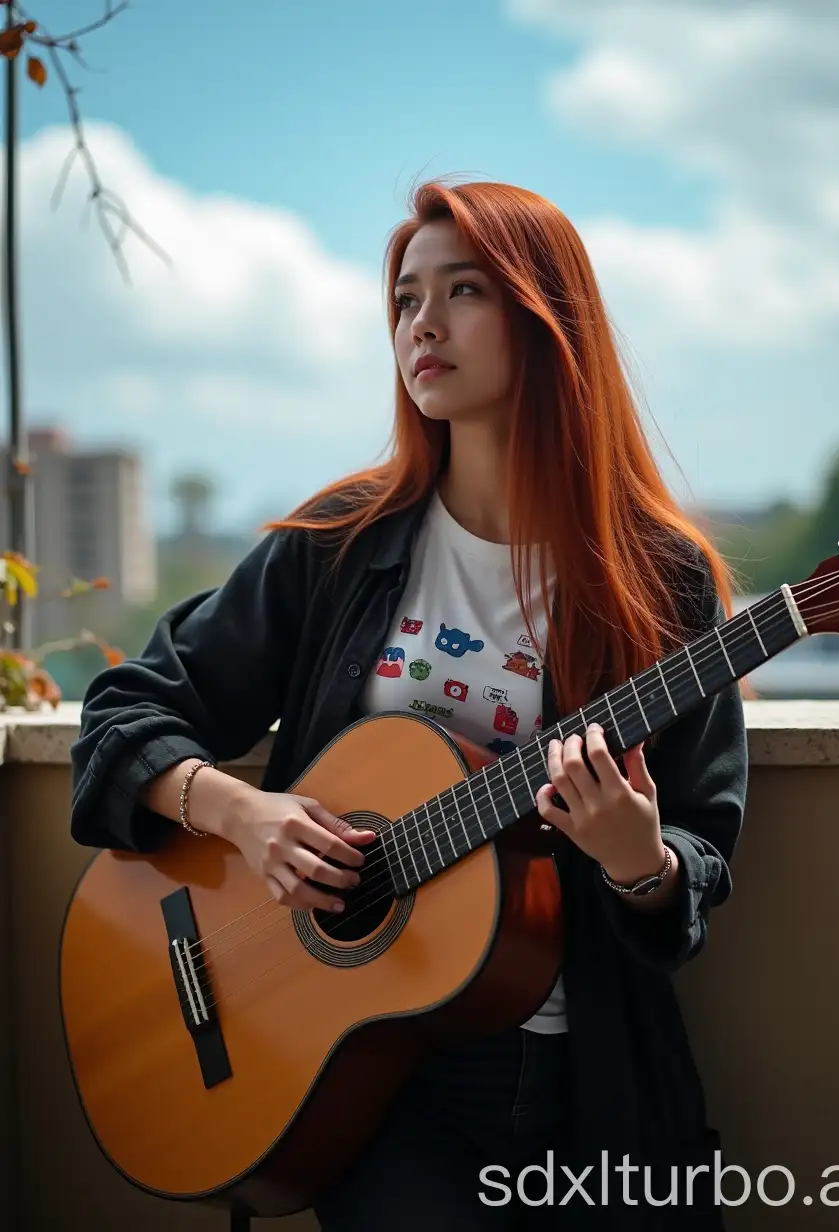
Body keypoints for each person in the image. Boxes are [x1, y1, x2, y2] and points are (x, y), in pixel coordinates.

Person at [70, 179, 748, 1230]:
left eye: (462, 290)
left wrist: (640, 863)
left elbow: (700, 849)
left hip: (593, 1079)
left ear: (543, 316)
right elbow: (124, 710)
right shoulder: (338, 545)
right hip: (377, 1085)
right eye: (402, 299)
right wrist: (245, 815)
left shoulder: (662, 582)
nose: (420, 323)